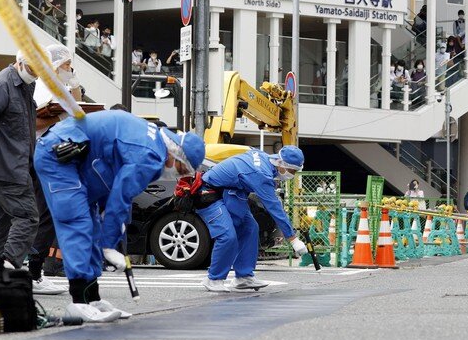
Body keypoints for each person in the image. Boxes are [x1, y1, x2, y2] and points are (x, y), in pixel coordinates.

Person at [33, 111, 205, 321]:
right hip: (59, 155)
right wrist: (108, 246)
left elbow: (113, 191)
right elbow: (121, 196)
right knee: (77, 223)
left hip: (77, 156)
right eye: (181, 169)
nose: (177, 175)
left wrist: (110, 236)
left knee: (93, 225)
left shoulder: (152, 142)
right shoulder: (150, 156)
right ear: (177, 153)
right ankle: (78, 301)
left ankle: (92, 299)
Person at [195, 146, 309, 292]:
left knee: (250, 228)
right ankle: (214, 279)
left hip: (230, 191)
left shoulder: (265, 158)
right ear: (281, 163)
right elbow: (274, 208)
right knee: (227, 236)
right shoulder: (261, 174)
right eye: (291, 171)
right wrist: (293, 239)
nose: (292, 174)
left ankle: (243, 277)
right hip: (208, 192)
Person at [0, 51, 40, 269]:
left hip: (18, 165)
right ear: (20, 62)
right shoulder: (1, 85)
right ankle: (8, 266)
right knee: (28, 218)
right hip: (8, 167)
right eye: (33, 69)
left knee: (1, 221)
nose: (36, 74)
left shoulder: (26, 84)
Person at [27, 45, 83, 296]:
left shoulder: (59, 85)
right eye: (66, 65)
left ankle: (33, 269)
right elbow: (33, 120)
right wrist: (58, 117)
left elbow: (77, 107)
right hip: (43, 154)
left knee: (47, 213)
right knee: (44, 213)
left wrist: (73, 81)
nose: (69, 68)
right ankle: (33, 271)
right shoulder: (41, 87)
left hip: (57, 154)